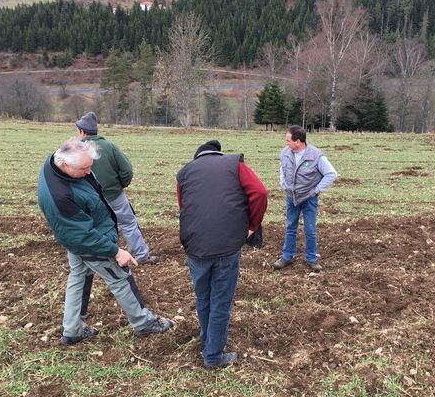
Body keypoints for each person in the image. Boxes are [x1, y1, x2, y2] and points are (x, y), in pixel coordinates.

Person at [37, 138, 173, 345]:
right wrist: (116, 251)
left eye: (90, 165)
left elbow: (77, 229)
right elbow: (83, 236)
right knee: (120, 277)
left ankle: (73, 329)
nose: (89, 172)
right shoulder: (61, 195)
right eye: (84, 168)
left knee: (79, 277)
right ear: (65, 164)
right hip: (89, 241)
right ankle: (143, 322)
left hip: (76, 238)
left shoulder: (54, 164)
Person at [176, 140, 268, 368]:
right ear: (218, 154)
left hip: (194, 244)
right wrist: (251, 226)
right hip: (226, 245)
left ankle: (207, 338)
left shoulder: (184, 172)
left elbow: (183, 205)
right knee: (220, 300)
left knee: (203, 295)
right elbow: (260, 192)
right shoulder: (234, 164)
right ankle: (214, 356)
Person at [75, 111, 158, 265]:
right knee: (129, 224)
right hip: (115, 196)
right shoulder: (110, 146)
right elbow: (127, 171)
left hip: (88, 199)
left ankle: (103, 258)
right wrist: (119, 186)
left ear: (81, 131)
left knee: (96, 227)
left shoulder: (76, 150)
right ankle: (141, 256)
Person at [274, 125, 337, 273]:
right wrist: (283, 184)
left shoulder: (316, 156)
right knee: (290, 227)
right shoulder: (285, 153)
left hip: (309, 198)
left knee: (309, 229)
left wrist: (316, 190)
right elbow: (282, 168)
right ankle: (287, 256)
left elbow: (331, 174)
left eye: (288, 140)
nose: (286, 143)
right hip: (291, 197)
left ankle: (312, 259)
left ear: (298, 141)